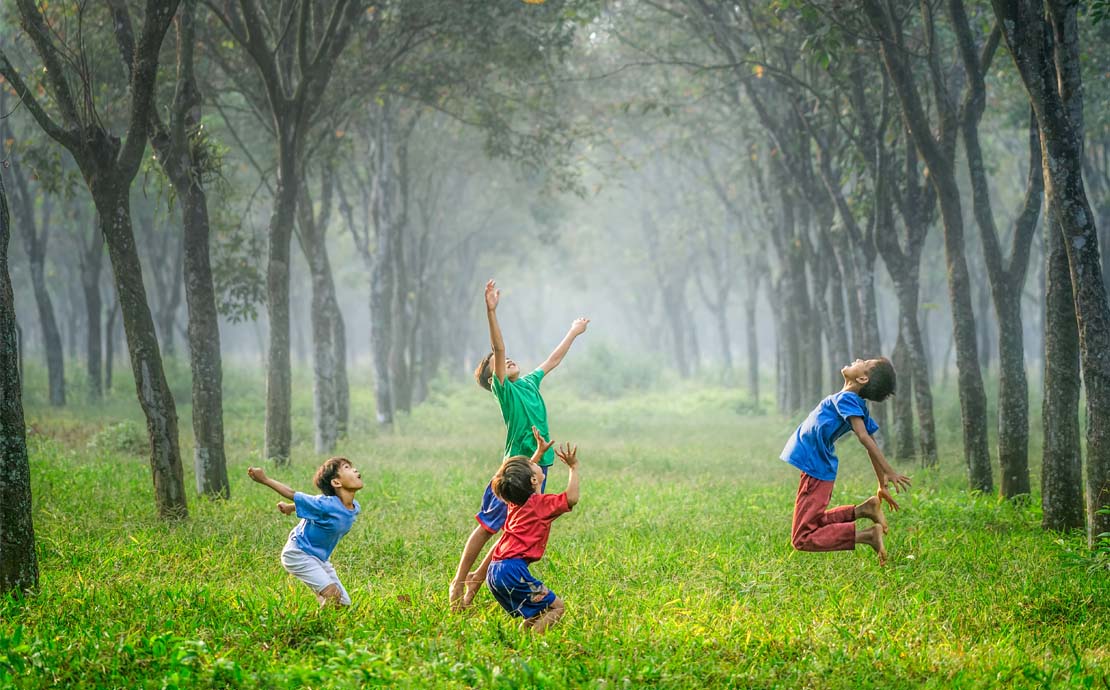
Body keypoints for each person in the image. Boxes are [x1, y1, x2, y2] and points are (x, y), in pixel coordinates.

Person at [449, 279, 589, 610]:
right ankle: (458, 583)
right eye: (498, 363)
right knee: (487, 527)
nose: (507, 359)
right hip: (514, 470)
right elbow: (498, 349)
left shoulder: (528, 382)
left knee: (512, 533)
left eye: (509, 359)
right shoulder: (505, 391)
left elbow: (553, 360)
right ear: (491, 378)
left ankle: (472, 591)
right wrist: (491, 311)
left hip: (538, 467)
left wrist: (573, 332)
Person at [781, 357, 911, 564]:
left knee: (802, 538)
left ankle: (867, 536)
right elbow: (871, 442)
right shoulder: (852, 401)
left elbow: (864, 437)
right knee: (813, 523)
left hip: (816, 469)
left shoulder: (848, 400)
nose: (858, 359)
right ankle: (864, 510)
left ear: (862, 378)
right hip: (815, 468)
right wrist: (881, 484)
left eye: (865, 362)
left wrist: (888, 471)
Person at [486, 435, 579, 633]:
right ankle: (532, 645)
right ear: (533, 479)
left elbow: (520, 478)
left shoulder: (515, 501)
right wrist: (573, 467)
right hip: (513, 572)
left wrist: (538, 453)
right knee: (556, 607)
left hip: (495, 571)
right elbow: (571, 498)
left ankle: (521, 639)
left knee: (538, 610)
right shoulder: (541, 505)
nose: (534, 464)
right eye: (533, 466)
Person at [247, 457, 363, 606]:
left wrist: (290, 507)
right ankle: (312, 625)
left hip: (319, 559)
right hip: (298, 553)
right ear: (336, 482)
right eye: (347, 467)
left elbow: (313, 506)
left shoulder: (354, 507)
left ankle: (323, 604)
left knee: (343, 604)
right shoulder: (325, 504)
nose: (354, 470)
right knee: (333, 596)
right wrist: (265, 479)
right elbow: (292, 493)